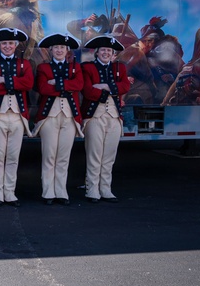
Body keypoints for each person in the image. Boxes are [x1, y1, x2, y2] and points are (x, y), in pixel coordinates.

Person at [0, 28, 34, 207]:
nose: (7, 46)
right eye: (4, 43)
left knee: (13, 156)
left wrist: (3, 80)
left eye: (11, 43)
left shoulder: (24, 64)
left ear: (16, 45)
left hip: (18, 116)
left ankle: (10, 192)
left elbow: (28, 84)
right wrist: (15, 83)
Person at [32, 33, 83, 205]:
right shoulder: (43, 68)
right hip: (49, 116)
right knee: (49, 155)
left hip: (69, 117)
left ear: (67, 50)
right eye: (56, 48)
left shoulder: (75, 68)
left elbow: (79, 85)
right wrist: (65, 86)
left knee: (63, 156)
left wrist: (57, 83)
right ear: (51, 50)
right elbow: (43, 88)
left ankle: (61, 192)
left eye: (62, 47)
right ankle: (48, 192)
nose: (59, 50)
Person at [81, 35, 129, 202]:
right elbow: (88, 91)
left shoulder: (119, 68)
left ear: (113, 53)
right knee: (95, 154)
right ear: (97, 52)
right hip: (95, 115)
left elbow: (126, 86)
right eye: (103, 50)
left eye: (109, 50)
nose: (106, 53)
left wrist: (106, 86)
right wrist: (113, 90)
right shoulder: (87, 68)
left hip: (114, 116)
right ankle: (92, 189)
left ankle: (106, 188)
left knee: (109, 155)